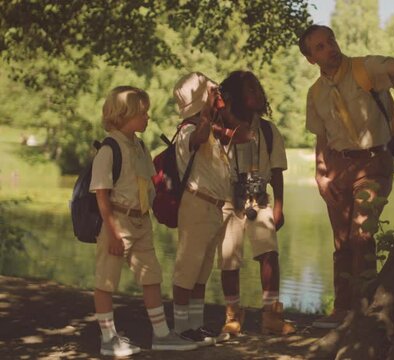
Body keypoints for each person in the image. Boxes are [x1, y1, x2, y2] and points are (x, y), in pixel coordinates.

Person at [298, 25, 394, 329]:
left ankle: (362, 311)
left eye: (331, 41)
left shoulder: (366, 68)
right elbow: (321, 138)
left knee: (361, 234)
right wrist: (320, 174)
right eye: (320, 47)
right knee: (341, 242)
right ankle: (341, 309)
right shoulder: (315, 93)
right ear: (311, 58)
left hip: (374, 163)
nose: (330, 48)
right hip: (337, 169)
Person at [90, 86, 197, 356]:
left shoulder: (138, 146)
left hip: (141, 222)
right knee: (106, 280)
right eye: (143, 113)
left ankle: (161, 334)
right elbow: (101, 194)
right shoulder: (109, 149)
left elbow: (150, 183)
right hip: (117, 222)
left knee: (152, 277)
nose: (148, 117)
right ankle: (108, 339)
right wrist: (113, 233)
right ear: (124, 114)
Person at [171, 72, 252, 345]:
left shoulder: (212, 129)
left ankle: (196, 325)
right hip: (196, 205)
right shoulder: (188, 130)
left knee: (201, 272)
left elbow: (243, 136)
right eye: (210, 91)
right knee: (187, 270)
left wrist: (221, 111)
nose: (216, 95)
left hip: (213, 209)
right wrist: (207, 110)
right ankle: (180, 328)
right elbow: (199, 136)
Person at [215, 70, 295, 338]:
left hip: (260, 201)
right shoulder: (222, 129)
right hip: (228, 202)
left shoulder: (269, 131)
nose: (258, 94)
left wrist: (279, 205)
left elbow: (278, 172)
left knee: (269, 254)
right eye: (251, 91)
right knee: (229, 259)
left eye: (258, 89)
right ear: (236, 96)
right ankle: (233, 314)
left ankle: (271, 315)